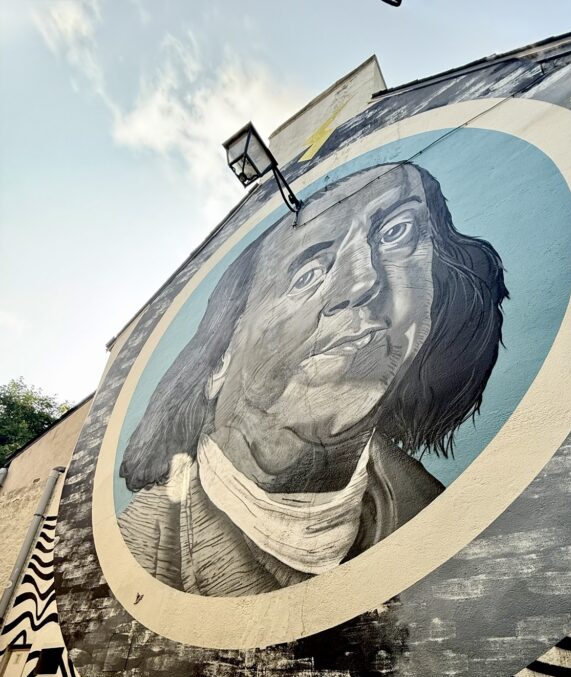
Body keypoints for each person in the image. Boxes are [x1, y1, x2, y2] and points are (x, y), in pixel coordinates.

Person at [118, 161, 508, 595]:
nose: (363, 281)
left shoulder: (440, 517)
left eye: (396, 233)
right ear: (219, 360)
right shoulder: (147, 551)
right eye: (306, 276)